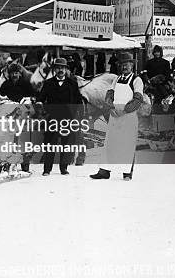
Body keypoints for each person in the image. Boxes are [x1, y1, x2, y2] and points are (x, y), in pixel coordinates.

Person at [91, 52, 143, 181]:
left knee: (127, 143)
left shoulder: (136, 80)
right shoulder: (117, 79)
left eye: (127, 64)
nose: (125, 67)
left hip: (128, 115)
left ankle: (127, 173)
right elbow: (109, 94)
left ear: (132, 65)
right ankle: (104, 171)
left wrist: (124, 111)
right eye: (122, 65)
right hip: (114, 115)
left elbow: (138, 100)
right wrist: (110, 107)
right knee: (110, 142)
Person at [36, 57, 83, 176]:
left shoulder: (72, 84)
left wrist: (76, 115)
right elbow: (40, 99)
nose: (60, 70)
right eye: (58, 68)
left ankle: (64, 168)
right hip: (52, 119)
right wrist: (41, 109)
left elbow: (78, 101)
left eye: (62, 68)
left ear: (66, 69)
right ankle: (47, 169)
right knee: (50, 145)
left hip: (67, 119)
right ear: (55, 70)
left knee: (65, 145)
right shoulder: (48, 83)